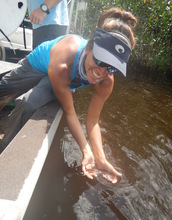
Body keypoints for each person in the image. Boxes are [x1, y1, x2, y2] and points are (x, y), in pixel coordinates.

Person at [0, 7, 137, 183]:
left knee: (29, 103)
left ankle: (5, 146)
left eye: (111, 67)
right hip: (39, 63)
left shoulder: (106, 81)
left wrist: (96, 156)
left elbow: (91, 120)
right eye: (100, 59)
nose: (101, 71)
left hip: (62, 78)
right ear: (89, 46)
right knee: (3, 93)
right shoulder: (64, 61)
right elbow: (72, 112)